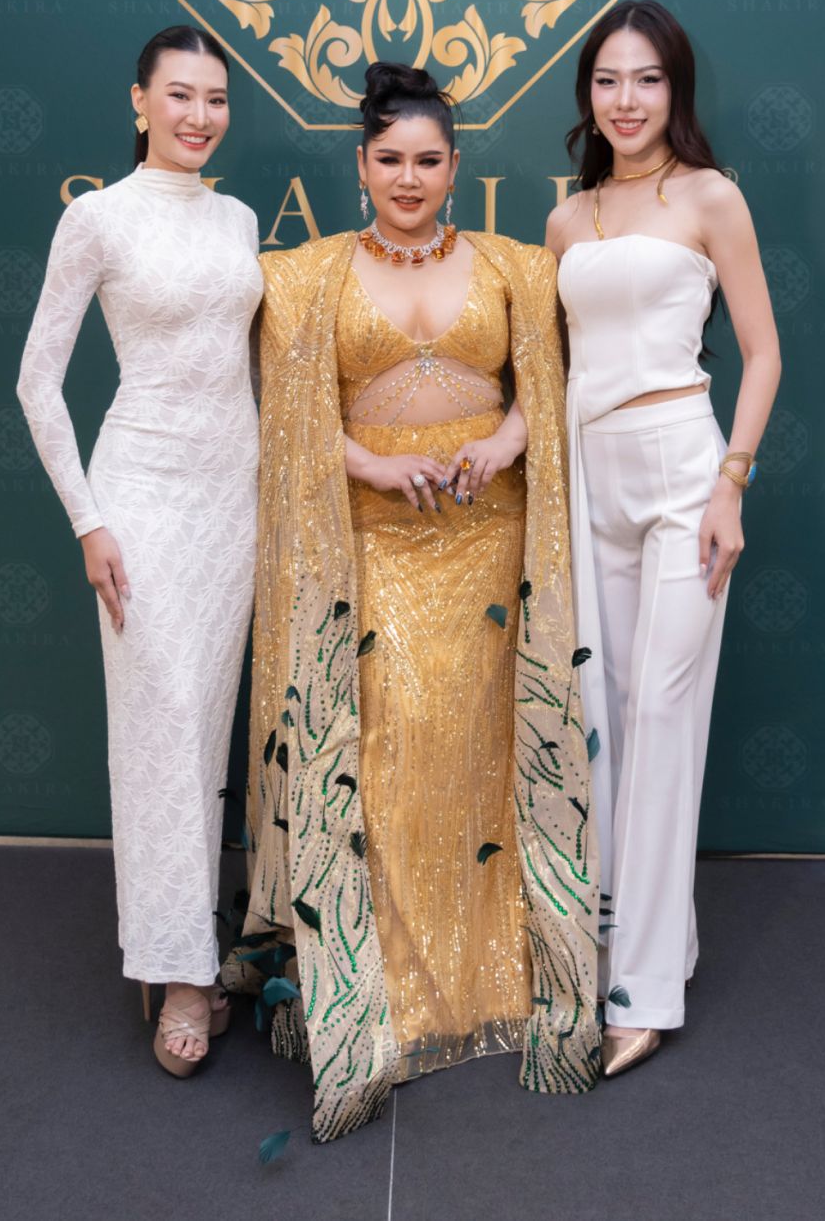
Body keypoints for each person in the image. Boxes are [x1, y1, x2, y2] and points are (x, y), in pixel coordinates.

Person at [223, 62, 598, 1143]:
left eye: (428, 159)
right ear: (360, 163)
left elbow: (546, 387)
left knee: (479, 752)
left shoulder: (520, 267)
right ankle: (375, 994)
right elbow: (289, 415)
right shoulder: (304, 278)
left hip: (488, 545)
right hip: (373, 548)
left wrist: (506, 441)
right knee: (383, 752)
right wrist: (372, 465)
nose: (408, 177)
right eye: (389, 158)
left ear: (455, 166)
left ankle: (495, 982)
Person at [17, 25, 262, 1076]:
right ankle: (179, 975)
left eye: (215, 99)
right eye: (180, 95)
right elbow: (37, 380)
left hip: (235, 499)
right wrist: (89, 519)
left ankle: (203, 941)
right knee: (159, 731)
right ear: (138, 101)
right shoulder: (97, 218)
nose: (199, 116)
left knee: (208, 732)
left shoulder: (239, 218)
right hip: (143, 498)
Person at [546, 0, 781, 1077]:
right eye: (607, 80)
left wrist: (731, 484)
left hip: (685, 470)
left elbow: (761, 353)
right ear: (587, 94)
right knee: (602, 715)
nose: (626, 99)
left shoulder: (710, 196)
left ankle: (641, 993)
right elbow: (558, 366)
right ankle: (634, 941)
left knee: (664, 713)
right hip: (589, 472)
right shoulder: (569, 218)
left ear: (674, 87)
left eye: (645, 78)